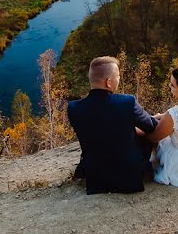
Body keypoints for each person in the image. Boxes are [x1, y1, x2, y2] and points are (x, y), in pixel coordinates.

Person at [66, 56, 157, 194]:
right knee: (145, 136)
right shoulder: (127, 102)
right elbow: (150, 126)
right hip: (129, 177)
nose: (119, 79)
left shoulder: (73, 108)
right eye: (118, 76)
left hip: (96, 179)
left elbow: (100, 127)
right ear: (108, 82)